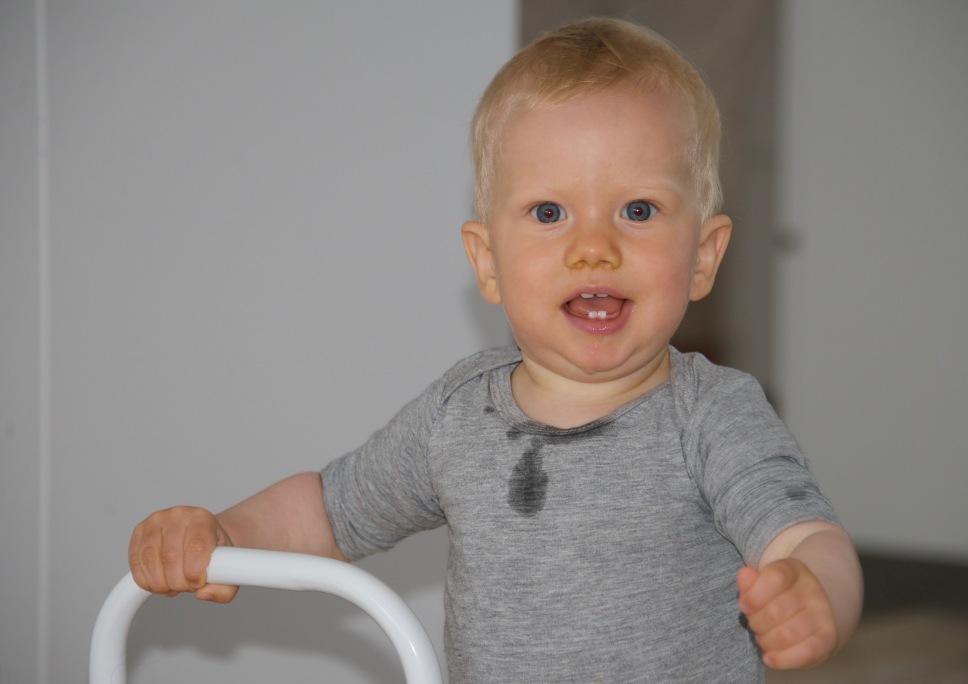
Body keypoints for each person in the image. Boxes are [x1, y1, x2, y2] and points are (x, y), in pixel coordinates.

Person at [129, 17, 862, 682]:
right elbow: (329, 507)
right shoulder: (456, 416)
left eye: (637, 210)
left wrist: (814, 592)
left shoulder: (712, 417)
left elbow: (807, 538)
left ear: (702, 257)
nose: (593, 247)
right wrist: (226, 534)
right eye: (549, 212)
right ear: (487, 263)